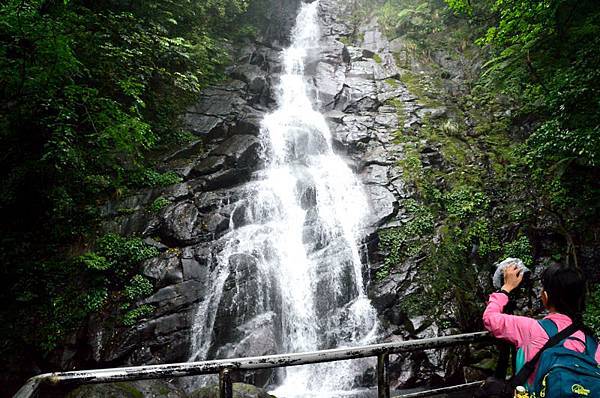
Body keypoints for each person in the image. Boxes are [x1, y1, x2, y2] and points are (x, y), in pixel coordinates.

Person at [483, 262, 600, 387]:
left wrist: (506, 289)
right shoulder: (592, 343)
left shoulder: (530, 329)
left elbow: (490, 318)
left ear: (545, 297)